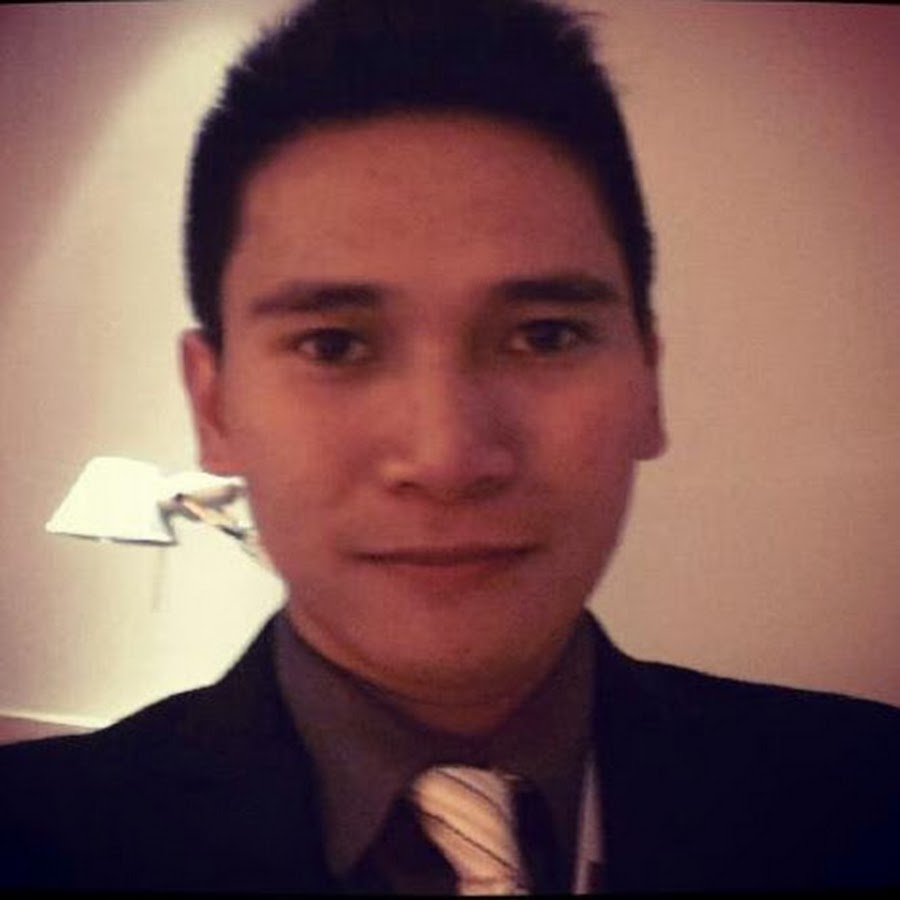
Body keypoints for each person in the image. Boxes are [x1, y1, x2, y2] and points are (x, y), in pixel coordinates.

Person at [1, 0, 898, 892]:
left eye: (544, 335)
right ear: (215, 407)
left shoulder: (870, 795)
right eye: (334, 345)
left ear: (649, 382)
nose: (447, 459)